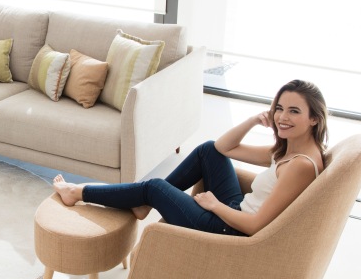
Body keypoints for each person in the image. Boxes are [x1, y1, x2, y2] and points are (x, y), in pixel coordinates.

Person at [53, 79, 329, 236]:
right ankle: (142, 205)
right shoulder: (292, 150)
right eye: (279, 108)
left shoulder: (300, 166)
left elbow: (256, 226)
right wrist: (253, 121)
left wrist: (214, 205)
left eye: (294, 111)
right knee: (208, 149)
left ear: (314, 118)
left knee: (154, 187)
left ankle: (77, 192)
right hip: (237, 209)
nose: (282, 117)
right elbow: (223, 147)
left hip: (230, 228)